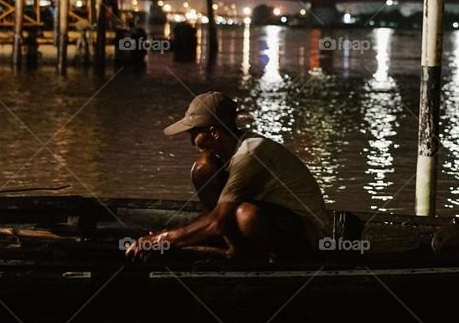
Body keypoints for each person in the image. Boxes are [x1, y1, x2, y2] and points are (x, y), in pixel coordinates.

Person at [125, 92, 328, 261]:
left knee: (246, 215)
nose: (192, 142)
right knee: (202, 170)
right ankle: (236, 249)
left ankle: (266, 259)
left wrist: (164, 239)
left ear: (214, 132)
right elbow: (216, 216)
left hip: (309, 239)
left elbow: (218, 221)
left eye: (193, 134)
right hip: (275, 222)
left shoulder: (250, 153)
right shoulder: (230, 154)